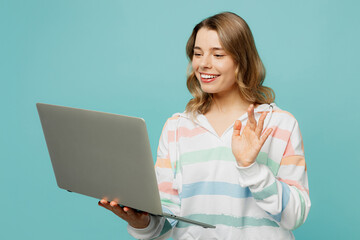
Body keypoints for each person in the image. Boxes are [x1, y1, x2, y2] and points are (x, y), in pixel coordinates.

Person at [98, 12, 311, 239]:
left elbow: (295, 216)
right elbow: (168, 217)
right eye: (197, 54)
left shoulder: (279, 124)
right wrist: (142, 221)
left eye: (217, 54)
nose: (203, 64)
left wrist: (251, 168)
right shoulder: (176, 128)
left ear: (241, 61)